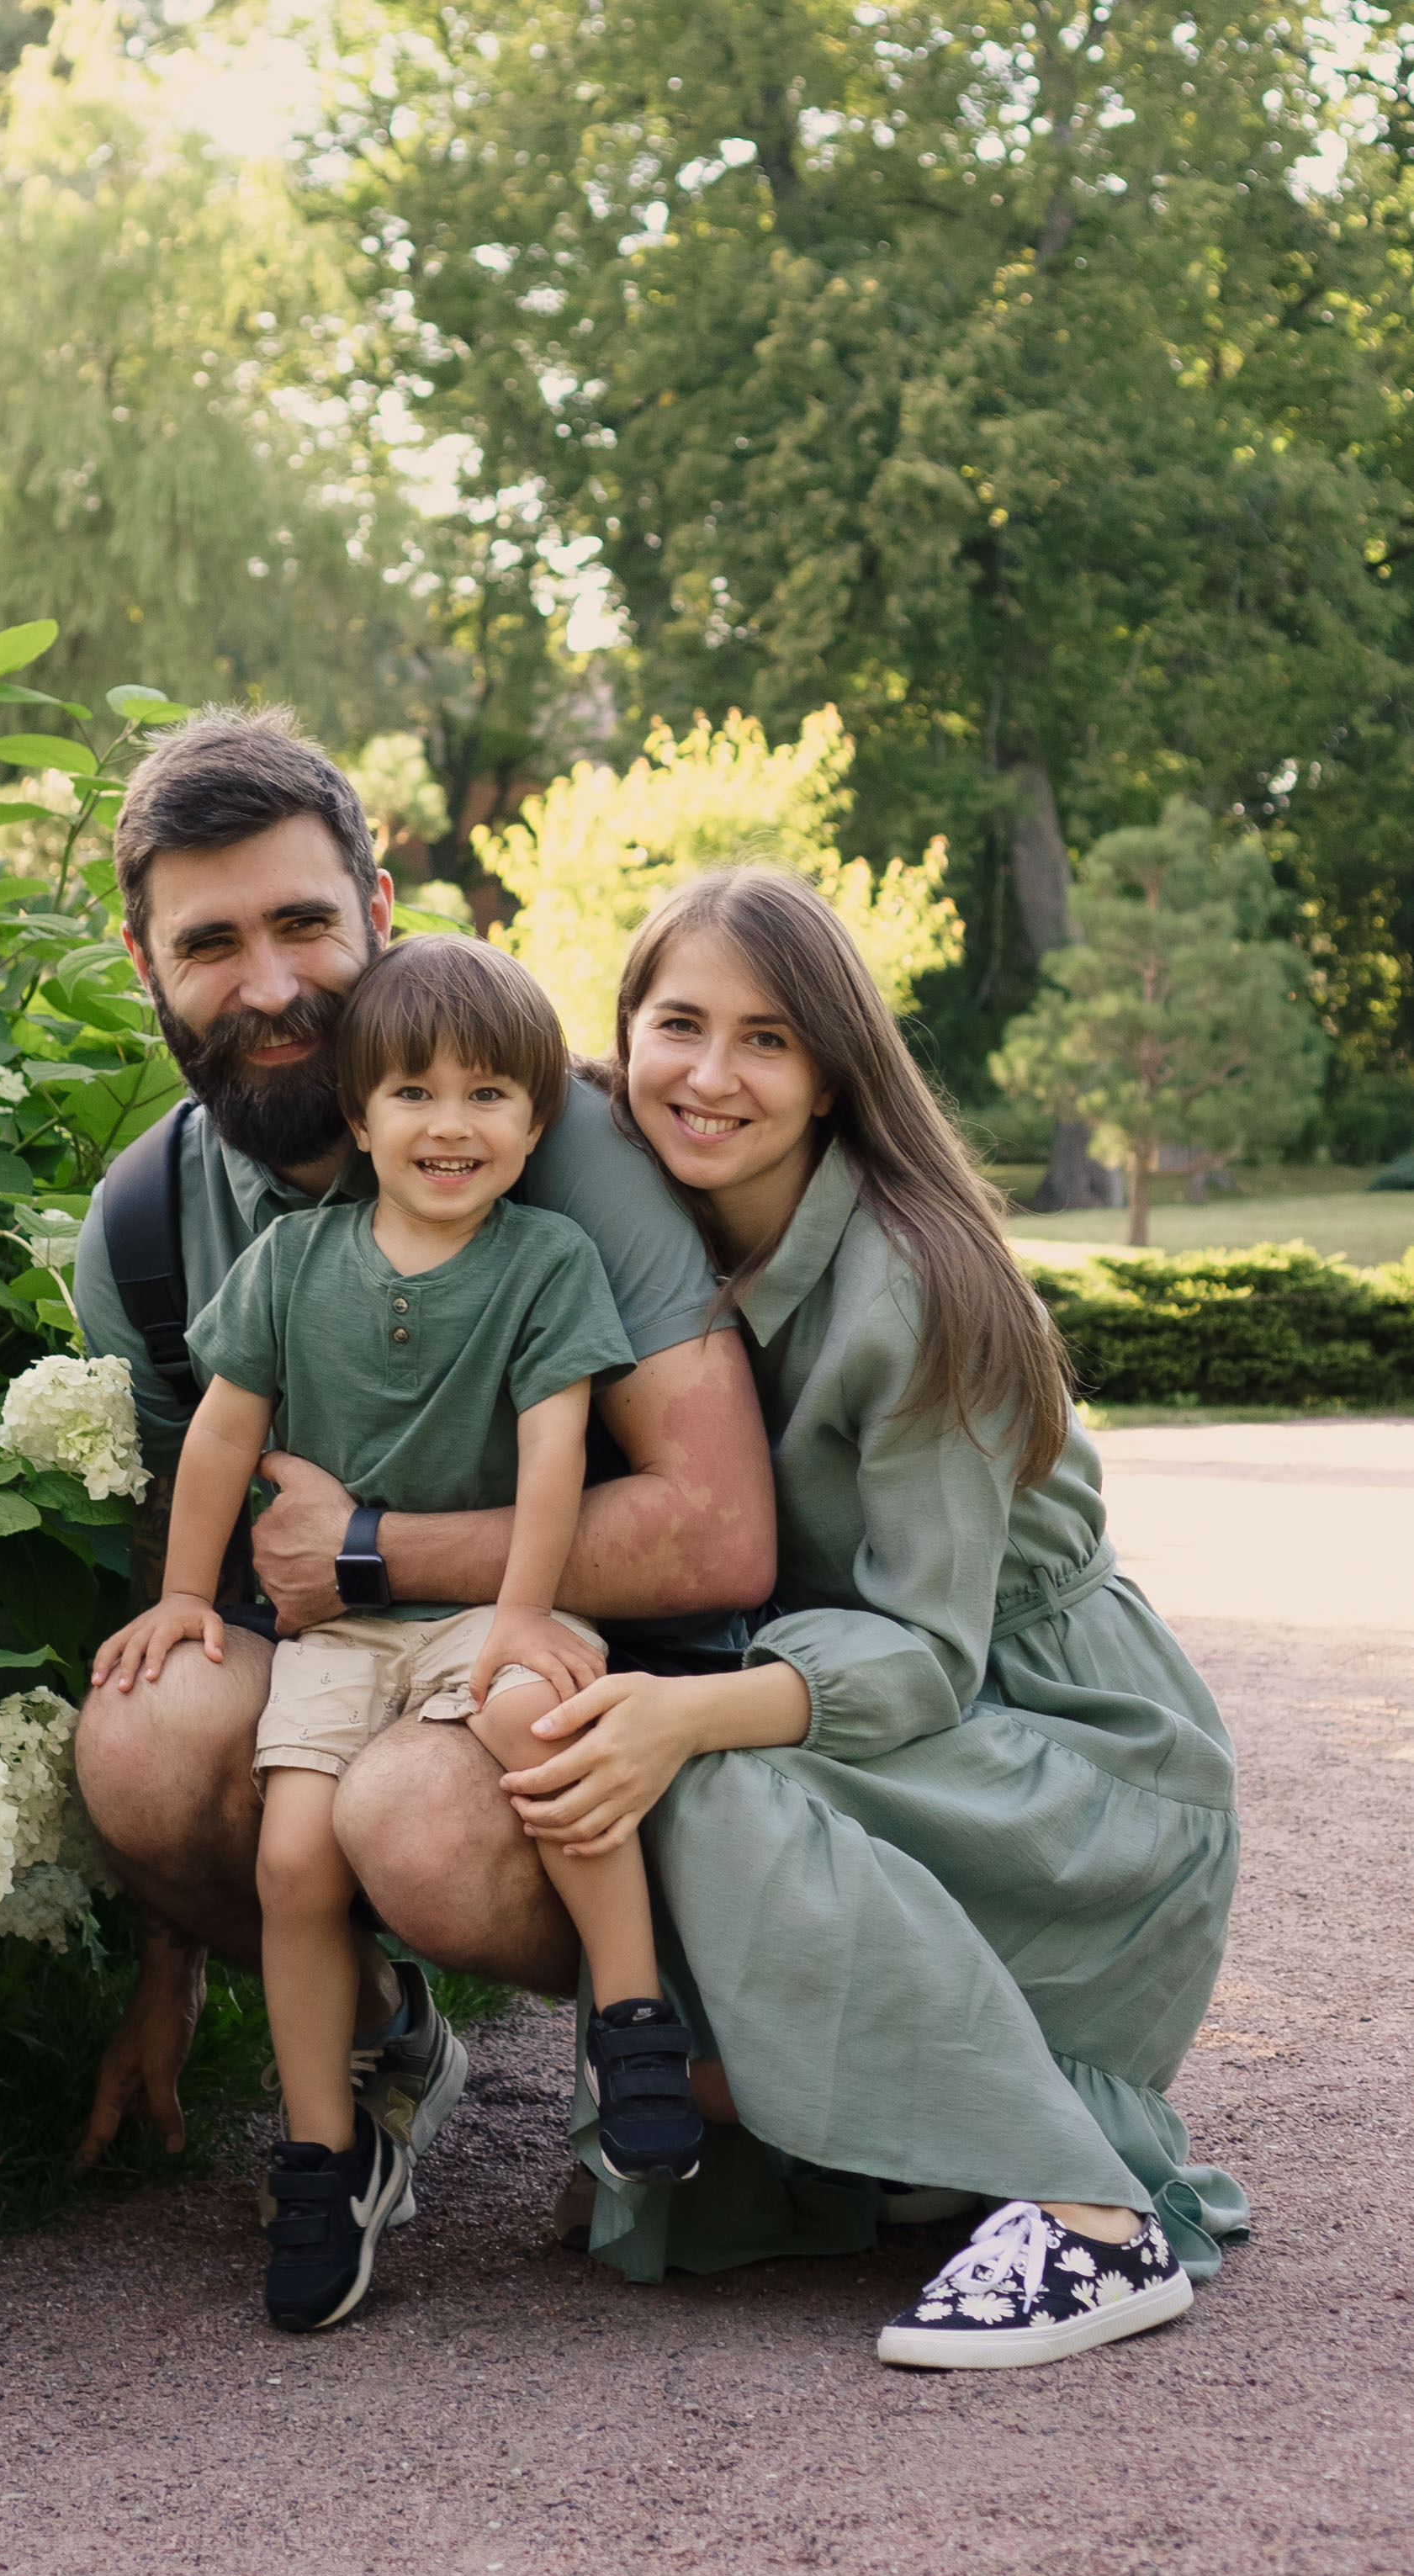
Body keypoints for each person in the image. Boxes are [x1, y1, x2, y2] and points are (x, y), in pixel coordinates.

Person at [489, 867, 1247, 2370]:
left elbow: (924, 1652)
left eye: (766, 1039)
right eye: (678, 1026)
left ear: (834, 1068)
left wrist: (688, 1709)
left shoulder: (916, 1285)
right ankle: (860, 2138)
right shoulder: (660, 1244)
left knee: (691, 1767)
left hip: (1073, 1768)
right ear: (621, 1037)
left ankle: (1090, 2214)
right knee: (628, 1742)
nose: (711, 1076)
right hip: (927, 1744)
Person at [71, 713, 775, 2186]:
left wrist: (371, 1545)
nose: (268, 989)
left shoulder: (561, 1151)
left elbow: (719, 1529)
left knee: (422, 1810)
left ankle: (694, 2034)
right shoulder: (145, 1230)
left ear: (379, 912)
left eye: (304, 923)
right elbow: (170, 1570)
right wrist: (170, 1965)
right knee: (140, 1735)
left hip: (598, 1685)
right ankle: (384, 2034)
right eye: (210, 942)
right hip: (347, 1674)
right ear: (147, 966)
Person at [90, 936, 704, 2329]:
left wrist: (530, 1611)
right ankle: (325, 2147)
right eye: (415, 1094)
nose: (451, 1125)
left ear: (539, 1123)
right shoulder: (295, 1265)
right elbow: (220, 1438)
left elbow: (556, 1459)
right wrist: (190, 1592)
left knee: (531, 1715)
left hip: (487, 1599)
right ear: (358, 1116)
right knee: (294, 1852)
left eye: (491, 1095)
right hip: (340, 1637)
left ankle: (631, 2023)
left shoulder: (546, 1260)